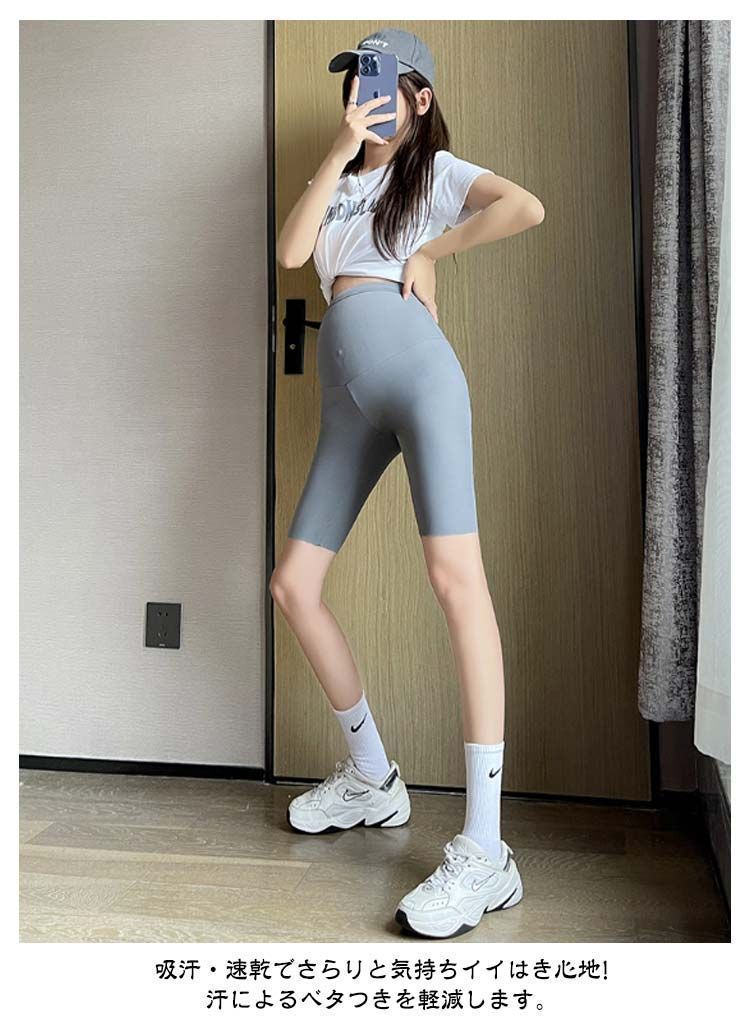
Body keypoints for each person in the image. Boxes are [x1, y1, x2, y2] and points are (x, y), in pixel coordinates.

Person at [272, 28, 544, 939]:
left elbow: (526, 206)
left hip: (421, 379)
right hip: (346, 403)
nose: (366, 93)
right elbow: (292, 253)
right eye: (355, 81)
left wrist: (435, 253)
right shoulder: (342, 179)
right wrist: (339, 150)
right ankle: (372, 778)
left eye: (383, 81)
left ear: (419, 97)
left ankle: (486, 849)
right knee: (293, 585)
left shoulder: (434, 175)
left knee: (455, 581)